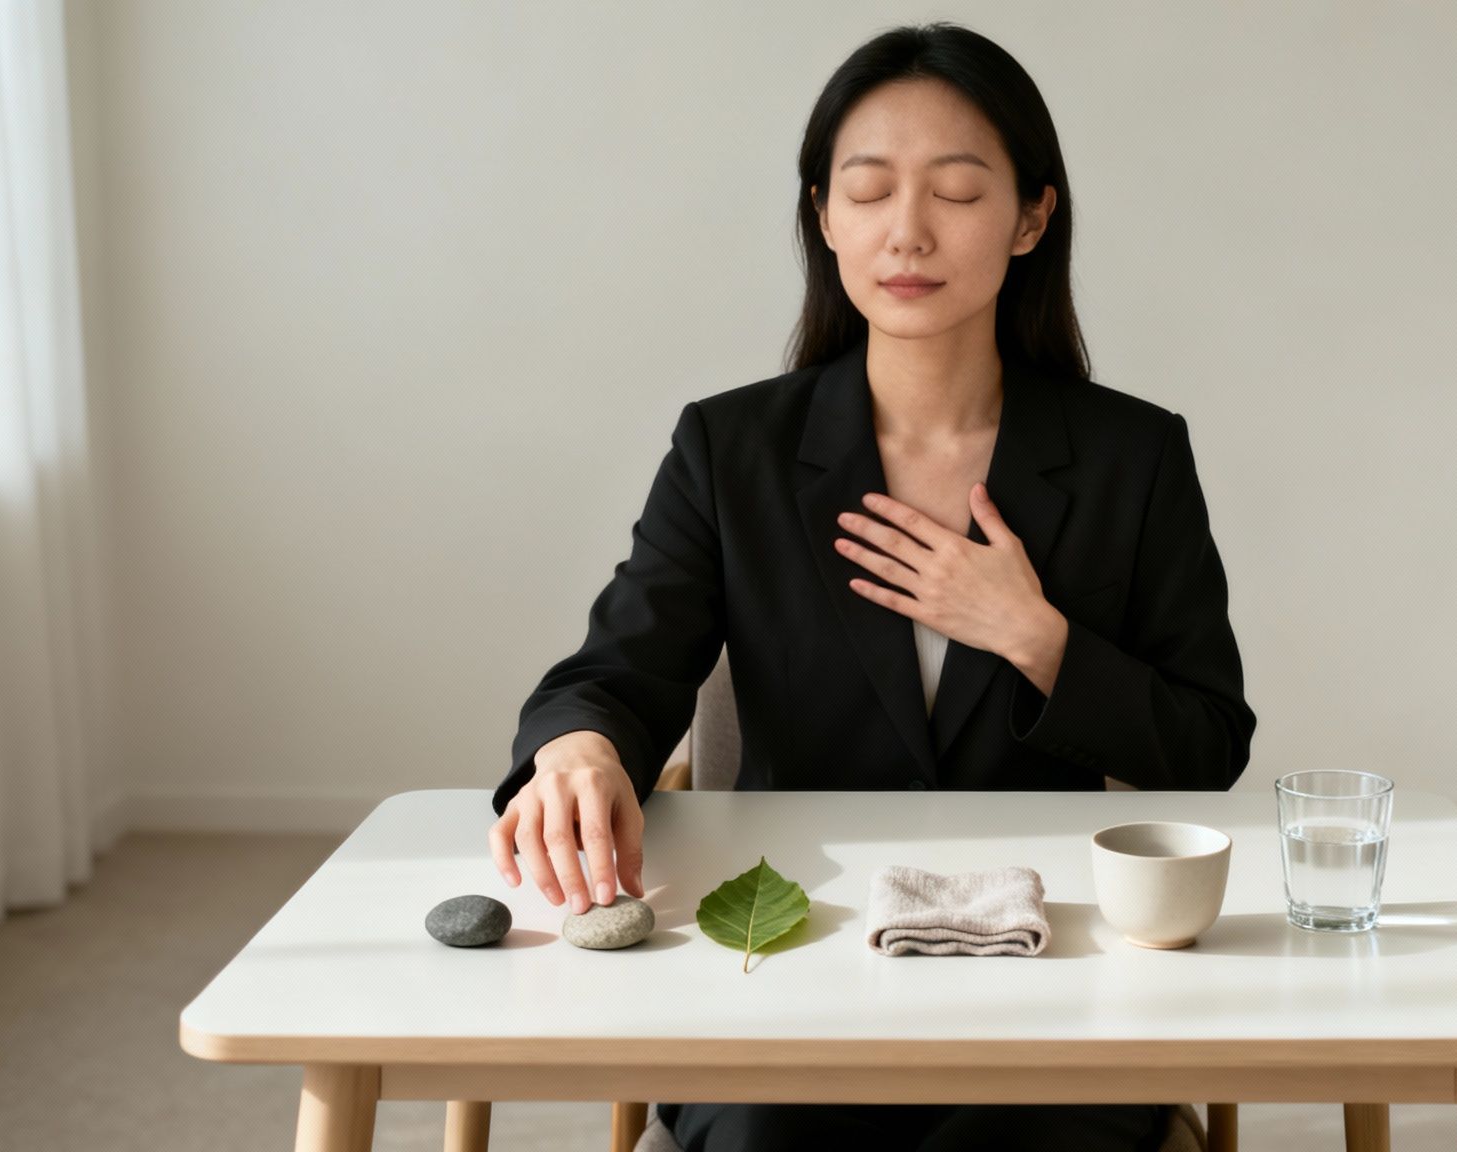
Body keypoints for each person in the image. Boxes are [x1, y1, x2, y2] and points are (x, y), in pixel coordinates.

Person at [488, 21, 1256, 1152]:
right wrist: (577, 751)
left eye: (955, 191)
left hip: (1047, 977)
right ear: (822, 215)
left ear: (1032, 218)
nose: (907, 231)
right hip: (792, 963)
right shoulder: (732, 449)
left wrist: (1034, 636)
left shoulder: (1129, 457)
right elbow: (615, 671)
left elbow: (1205, 750)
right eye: (867, 190)